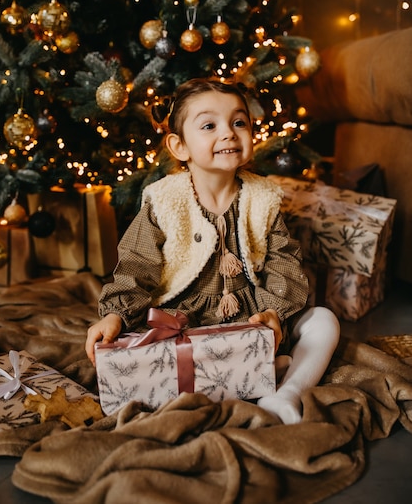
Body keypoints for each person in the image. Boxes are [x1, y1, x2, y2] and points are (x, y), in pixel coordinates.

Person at [85, 78, 340, 424]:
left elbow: (283, 264)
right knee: (154, 352)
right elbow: (136, 265)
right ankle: (249, 376)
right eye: (209, 125)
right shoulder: (164, 201)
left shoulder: (263, 198)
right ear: (179, 146)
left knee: (324, 321)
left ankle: (286, 393)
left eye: (239, 122)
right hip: (182, 323)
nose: (229, 133)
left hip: (249, 321)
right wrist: (116, 313)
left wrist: (273, 315)